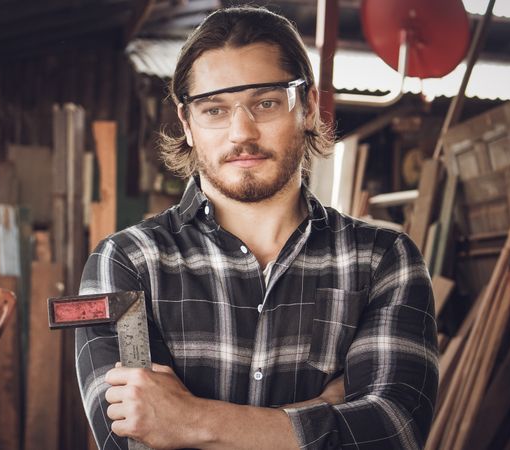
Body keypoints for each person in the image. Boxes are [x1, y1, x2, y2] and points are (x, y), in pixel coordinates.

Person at [76, 6, 437, 450]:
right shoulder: (128, 263)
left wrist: (191, 418)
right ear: (187, 124)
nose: (241, 132)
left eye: (265, 103)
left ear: (306, 107)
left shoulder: (384, 260)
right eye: (214, 109)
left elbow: (394, 433)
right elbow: (132, 443)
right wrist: (319, 415)